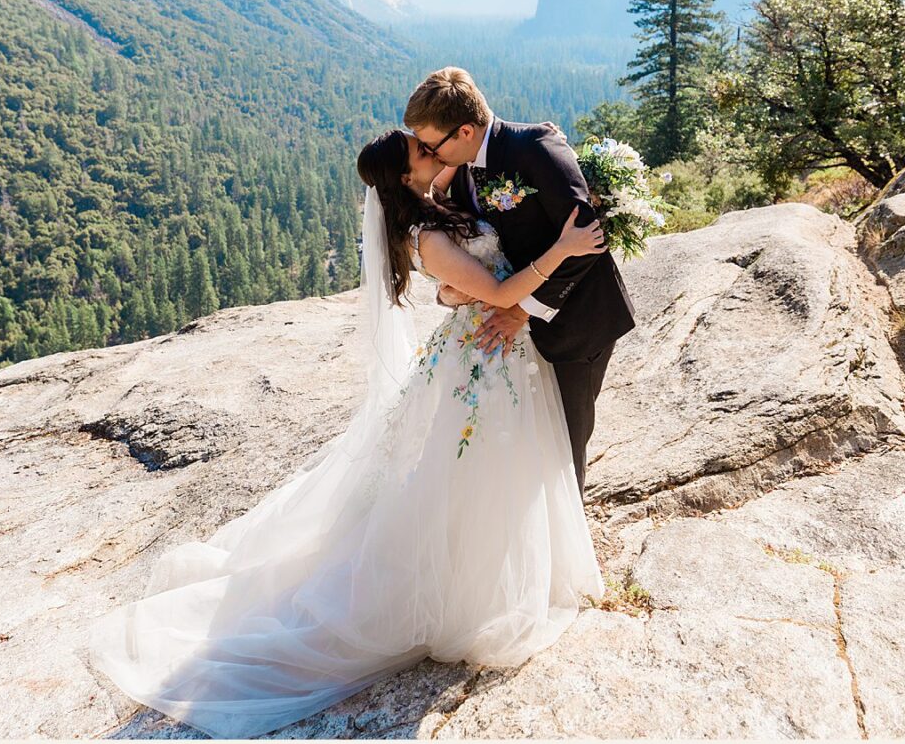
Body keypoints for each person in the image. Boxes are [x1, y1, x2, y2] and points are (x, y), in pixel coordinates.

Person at [86, 129, 607, 738]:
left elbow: (469, 267)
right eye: (420, 149)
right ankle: (473, 589)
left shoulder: (442, 195)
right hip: (485, 359)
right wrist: (564, 249)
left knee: (496, 470)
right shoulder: (428, 234)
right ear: (405, 175)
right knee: (473, 470)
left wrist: (455, 288)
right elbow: (492, 290)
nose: (430, 149)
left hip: (501, 354)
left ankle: (519, 565)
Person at [403, 67, 636, 496]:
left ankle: (571, 542)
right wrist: (452, 289)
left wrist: (520, 310)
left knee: (567, 438)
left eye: (433, 145)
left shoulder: (536, 148)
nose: (430, 154)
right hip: (515, 334)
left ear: (465, 131)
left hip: (576, 322)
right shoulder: (460, 168)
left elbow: (589, 241)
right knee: (532, 438)